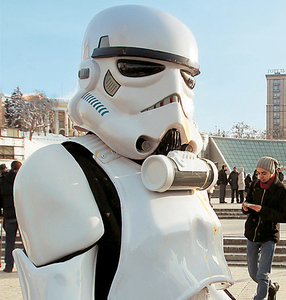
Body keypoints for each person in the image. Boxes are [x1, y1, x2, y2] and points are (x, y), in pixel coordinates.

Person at [12, 5, 233, 299]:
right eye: (141, 69)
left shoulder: (181, 172)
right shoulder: (60, 171)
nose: (173, 93)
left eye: (187, 78)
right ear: (90, 75)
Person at [242, 157, 286, 300]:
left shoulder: (281, 190)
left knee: (262, 273)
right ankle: (271, 287)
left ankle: (259, 298)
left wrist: (262, 210)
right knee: (253, 273)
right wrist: (246, 208)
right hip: (252, 233)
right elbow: (248, 203)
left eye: (263, 173)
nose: (260, 176)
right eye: (258, 173)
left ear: (271, 172)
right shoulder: (254, 185)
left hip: (269, 235)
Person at [0, 160, 22, 273]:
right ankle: (29, 265)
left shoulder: (3, 181)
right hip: (23, 216)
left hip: (9, 215)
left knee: (9, 242)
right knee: (27, 243)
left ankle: (9, 266)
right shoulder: (23, 179)